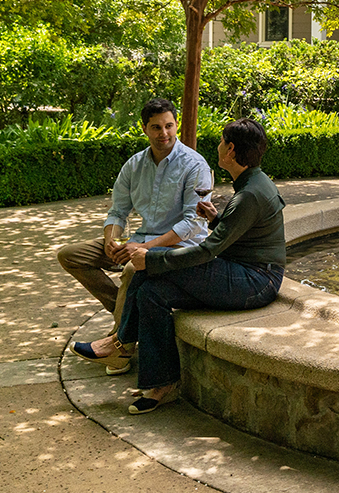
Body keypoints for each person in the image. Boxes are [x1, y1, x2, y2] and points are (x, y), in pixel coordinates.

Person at [77, 118, 286, 414]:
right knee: (152, 293)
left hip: (255, 283)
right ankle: (163, 384)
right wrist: (215, 219)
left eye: (221, 141)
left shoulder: (250, 193)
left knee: (149, 268)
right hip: (243, 272)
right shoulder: (252, 183)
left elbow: (207, 251)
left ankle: (120, 342)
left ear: (231, 149)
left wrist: (151, 257)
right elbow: (240, 234)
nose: (218, 145)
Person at [58, 98, 210, 375]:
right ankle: (130, 317)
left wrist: (144, 247)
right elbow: (118, 211)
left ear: (176, 125)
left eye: (169, 126)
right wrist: (111, 241)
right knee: (71, 255)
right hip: (140, 240)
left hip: (179, 245)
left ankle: (120, 347)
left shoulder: (194, 165)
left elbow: (192, 224)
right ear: (144, 129)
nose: (164, 133)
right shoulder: (134, 165)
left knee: (132, 267)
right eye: (156, 127)